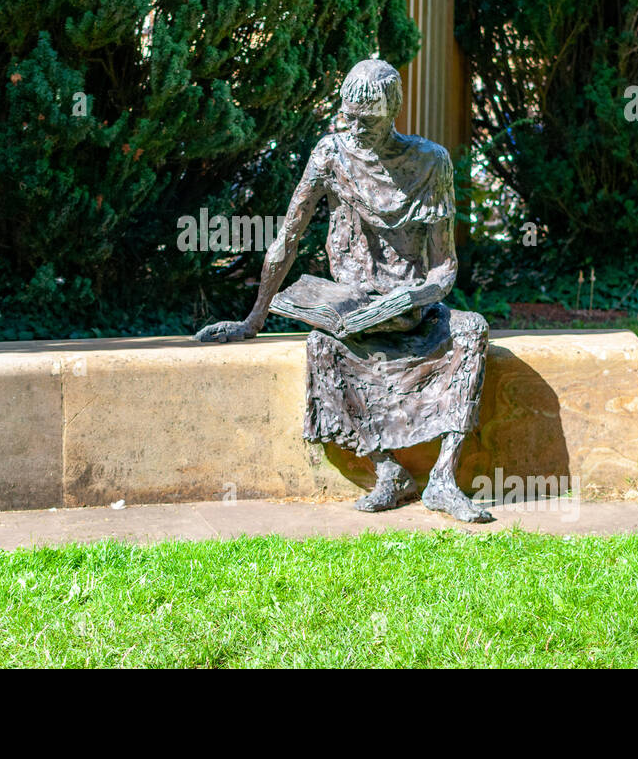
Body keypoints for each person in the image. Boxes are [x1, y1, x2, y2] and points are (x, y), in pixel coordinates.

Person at [194, 59, 492, 521]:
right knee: (321, 347)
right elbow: (287, 238)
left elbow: (444, 268)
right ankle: (388, 473)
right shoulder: (330, 155)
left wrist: (411, 297)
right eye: (347, 116)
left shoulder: (430, 162)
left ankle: (443, 480)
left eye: (366, 120)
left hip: (413, 309)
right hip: (353, 312)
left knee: (472, 331)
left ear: (393, 111)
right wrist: (253, 320)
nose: (353, 128)